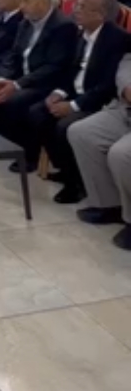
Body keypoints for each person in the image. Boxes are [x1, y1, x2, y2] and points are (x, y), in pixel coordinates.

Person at [29, 0, 131, 202]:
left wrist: (74, 105)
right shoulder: (81, 33)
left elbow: (107, 85)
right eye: (77, 5)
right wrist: (59, 93)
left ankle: (76, 184)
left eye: (82, 7)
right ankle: (67, 169)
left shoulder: (117, 39)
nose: (75, 10)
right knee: (38, 113)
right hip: (77, 92)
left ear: (100, 14)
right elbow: (72, 70)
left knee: (64, 125)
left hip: (99, 100)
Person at [0, 0, 78, 170]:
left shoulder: (63, 26)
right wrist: (2, 77)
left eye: (26, 1)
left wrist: (17, 84)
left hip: (47, 82)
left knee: (16, 100)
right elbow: (13, 54)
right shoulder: (25, 22)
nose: (21, 6)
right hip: (22, 75)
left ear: (42, 3)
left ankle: (28, 155)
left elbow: (54, 66)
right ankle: (4, 138)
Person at [67, 53, 131, 248]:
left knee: (122, 154)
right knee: (82, 132)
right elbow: (127, 63)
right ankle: (109, 204)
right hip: (126, 109)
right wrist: (127, 87)